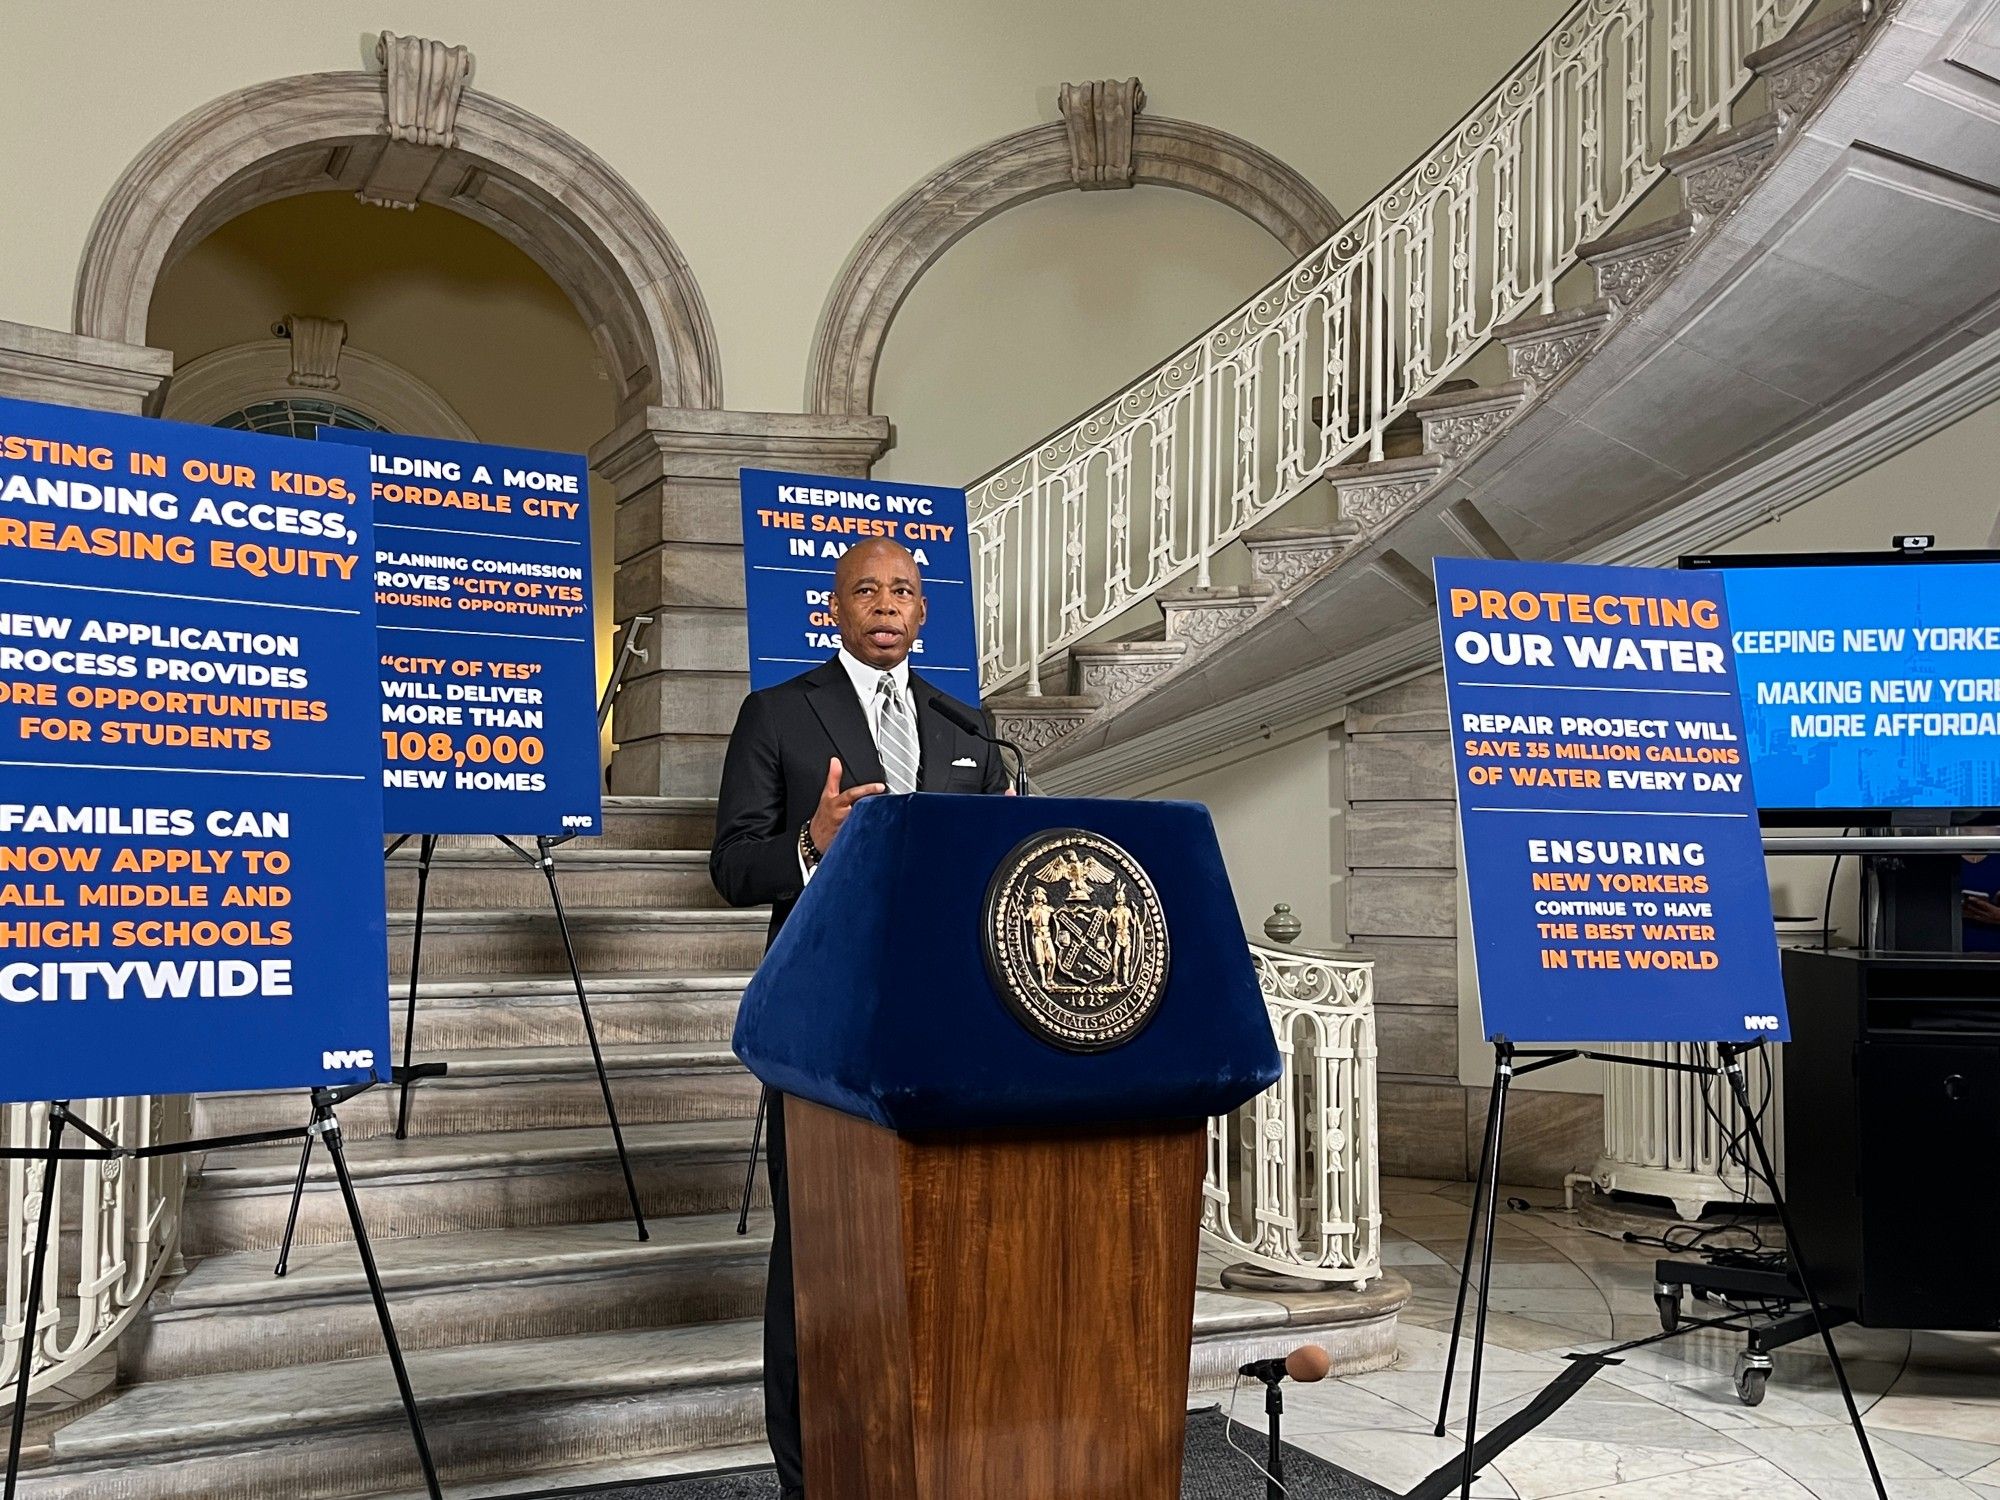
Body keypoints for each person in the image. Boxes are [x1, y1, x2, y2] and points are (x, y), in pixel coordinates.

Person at [710, 537, 1010, 1498]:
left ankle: (927, 1439)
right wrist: (812, 841)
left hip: (949, 1019)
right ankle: (809, 1470)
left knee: (940, 1234)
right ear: (834, 609)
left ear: (924, 614)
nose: (886, 604)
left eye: (905, 591)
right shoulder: (778, 715)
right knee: (821, 1244)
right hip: (823, 1022)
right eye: (866, 590)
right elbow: (730, 865)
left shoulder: (968, 726)